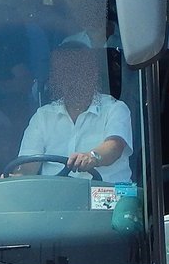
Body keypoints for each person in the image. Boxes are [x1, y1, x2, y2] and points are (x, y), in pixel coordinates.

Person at [13, 43, 132, 182]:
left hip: (109, 199)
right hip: (55, 199)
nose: (71, 79)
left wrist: (92, 157)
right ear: (55, 79)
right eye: (63, 72)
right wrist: (19, 176)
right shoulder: (43, 116)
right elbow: (29, 164)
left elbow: (114, 146)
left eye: (76, 71)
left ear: (92, 74)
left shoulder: (115, 108)